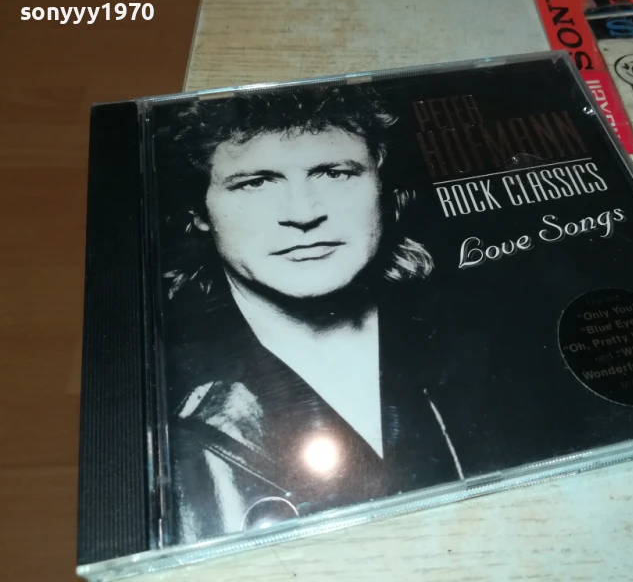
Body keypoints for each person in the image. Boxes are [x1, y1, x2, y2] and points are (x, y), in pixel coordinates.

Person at [158, 86, 488, 543]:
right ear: (198, 211)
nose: (303, 214)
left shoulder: (488, 345)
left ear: (385, 190)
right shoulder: (166, 399)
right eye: (255, 183)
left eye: (335, 174)